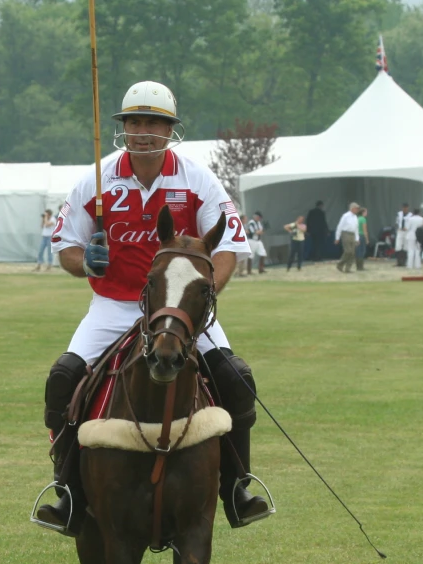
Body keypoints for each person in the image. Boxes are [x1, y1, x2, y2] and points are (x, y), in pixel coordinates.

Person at [35, 80, 272, 535]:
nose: (144, 131)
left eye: (154, 122)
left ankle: (237, 487)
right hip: (114, 305)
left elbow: (228, 249)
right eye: (135, 122)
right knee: (63, 378)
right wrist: (84, 259)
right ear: (124, 128)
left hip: (178, 311)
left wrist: (203, 296)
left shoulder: (197, 179)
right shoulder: (96, 180)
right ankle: (64, 489)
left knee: (236, 378)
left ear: (170, 129)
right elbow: (65, 247)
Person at [335, 202, 360, 273]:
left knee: (352, 253)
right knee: (348, 251)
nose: (357, 210)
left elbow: (356, 228)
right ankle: (340, 264)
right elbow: (339, 226)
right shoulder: (345, 216)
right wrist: (337, 237)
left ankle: (348, 268)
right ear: (352, 208)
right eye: (356, 208)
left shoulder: (355, 217)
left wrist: (357, 239)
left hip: (353, 234)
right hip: (346, 234)